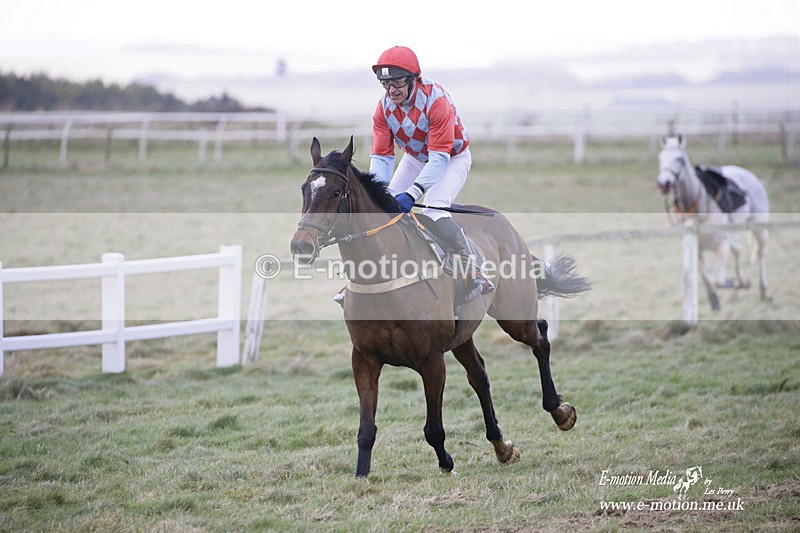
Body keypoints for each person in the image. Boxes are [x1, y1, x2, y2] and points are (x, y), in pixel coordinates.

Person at [369, 45, 494, 304]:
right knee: (382, 210)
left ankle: (473, 269)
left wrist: (413, 193)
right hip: (416, 158)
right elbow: (382, 158)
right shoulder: (383, 108)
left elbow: (438, 160)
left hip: (451, 158)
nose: (391, 90)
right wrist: (376, 194)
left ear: (413, 78)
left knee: (434, 211)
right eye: (385, 84)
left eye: (397, 82)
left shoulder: (436, 101)